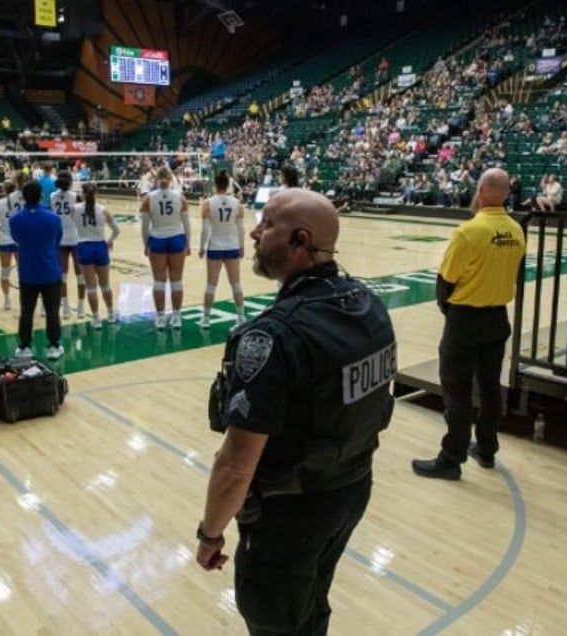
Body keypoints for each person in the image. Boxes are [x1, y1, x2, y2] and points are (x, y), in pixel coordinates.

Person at [197, 189, 396, 635]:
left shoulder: (272, 336)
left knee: (275, 619)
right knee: (310, 605)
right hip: (350, 490)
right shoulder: (370, 307)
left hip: (289, 514)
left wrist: (211, 533)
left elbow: (234, 465)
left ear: (299, 240)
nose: (254, 230)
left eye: (267, 224)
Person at [412, 168, 526, 480]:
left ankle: (451, 459)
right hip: (497, 317)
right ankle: (486, 449)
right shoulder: (517, 230)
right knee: (490, 387)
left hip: (465, 319)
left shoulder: (469, 232)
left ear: (482, 192)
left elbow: (445, 282)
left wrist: (451, 312)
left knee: (457, 390)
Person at [8, 180, 64, 360]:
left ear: (23, 197)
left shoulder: (15, 220)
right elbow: (57, 240)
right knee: (52, 311)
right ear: (41, 196)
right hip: (50, 271)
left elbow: (17, 239)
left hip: (27, 273)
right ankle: (54, 346)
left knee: (26, 311)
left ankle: (24, 347)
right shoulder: (53, 218)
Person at [140, 165, 190, 330]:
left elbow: (145, 225)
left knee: (159, 281)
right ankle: (176, 317)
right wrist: (188, 243)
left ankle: (160, 318)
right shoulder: (180, 197)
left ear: (156, 180)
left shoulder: (148, 198)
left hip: (158, 239)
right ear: (170, 180)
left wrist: (146, 244)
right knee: (177, 280)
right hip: (176, 239)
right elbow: (186, 223)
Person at [198, 170, 246, 328]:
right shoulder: (237, 203)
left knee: (211, 284)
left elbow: (205, 229)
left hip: (215, 246)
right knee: (236, 283)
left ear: (215, 185)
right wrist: (242, 246)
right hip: (232, 246)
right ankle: (240, 317)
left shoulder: (208, 203)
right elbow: (241, 229)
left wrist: (201, 247)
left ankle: (206, 318)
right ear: (228, 185)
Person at [74, 182, 120, 330]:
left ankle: (96, 319)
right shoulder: (103, 210)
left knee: (91, 287)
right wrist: (109, 242)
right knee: (105, 284)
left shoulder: (74, 209)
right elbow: (117, 230)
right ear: (96, 193)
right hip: (100, 246)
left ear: (82, 193)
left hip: (83, 246)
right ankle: (111, 314)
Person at [51, 170, 86, 319]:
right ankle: (81, 307)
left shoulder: (52, 196)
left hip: (59, 237)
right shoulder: (75, 196)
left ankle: (65, 308)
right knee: (80, 274)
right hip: (76, 237)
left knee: (62, 275)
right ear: (71, 182)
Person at [0, 181, 20, 310]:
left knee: (5, 271)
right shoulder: (20, 203)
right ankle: (25, 297)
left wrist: (3, 227)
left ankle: (7, 301)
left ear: (4, 190)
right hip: (19, 240)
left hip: (4, 240)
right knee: (23, 270)